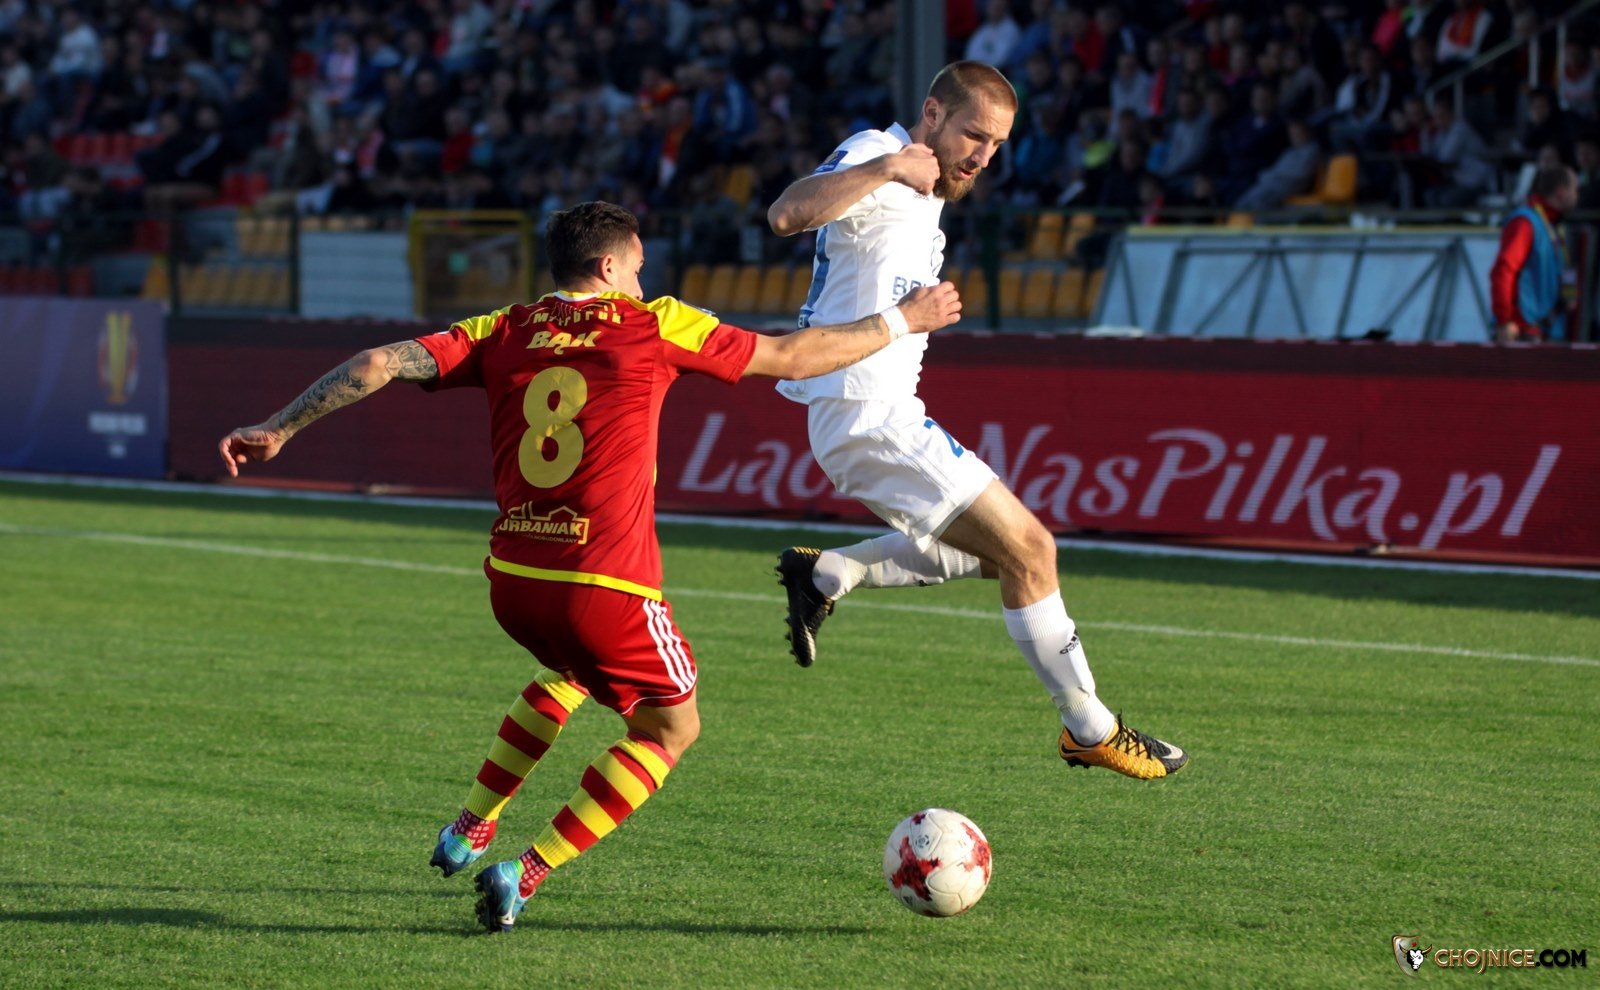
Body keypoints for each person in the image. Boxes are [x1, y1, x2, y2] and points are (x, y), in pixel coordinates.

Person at [217, 201, 961, 934]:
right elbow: (792, 357)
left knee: (569, 672)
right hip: (606, 587)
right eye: (637, 268)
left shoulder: (504, 328)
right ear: (607, 266)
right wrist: (905, 320)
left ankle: (471, 825)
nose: (643, 281)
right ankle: (524, 872)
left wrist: (279, 427)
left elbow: (379, 362)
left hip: (513, 583)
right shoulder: (652, 323)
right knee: (670, 731)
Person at [765, 61, 1187, 781]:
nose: (983, 156)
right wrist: (887, 167)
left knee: (1002, 557)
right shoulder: (879, 150)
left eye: (996, 145)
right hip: (866, 413)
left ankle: (830, 571)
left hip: (879, 413)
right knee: (1033, 550)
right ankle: (1089, 727)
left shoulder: (927, 191)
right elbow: (786, 213)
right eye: (974, 135)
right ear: (932, 113)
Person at [1490, 166, 1578, 343]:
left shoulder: (1553, 225)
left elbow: (1565, 268)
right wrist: (1505, 320)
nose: (1577, 196)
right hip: (1522, 331)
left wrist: (1570, 295)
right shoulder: (1525, 222)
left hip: (1546, 331)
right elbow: (1503, 271)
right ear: (1561, 192)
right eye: (1575, 190)